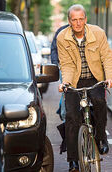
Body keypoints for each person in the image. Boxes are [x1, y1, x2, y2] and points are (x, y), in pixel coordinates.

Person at [57, 4, 112, 172]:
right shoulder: (62, 37)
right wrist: (65, 83)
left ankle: (101, 138)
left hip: (94, 78)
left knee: (99, 102)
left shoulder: (98, 33)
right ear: (69, 21)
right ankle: (73, 160)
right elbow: (66, 64)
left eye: (80, 19)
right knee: (71, 117)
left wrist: (110, 77)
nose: (77, 23)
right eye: (74, 20)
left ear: (85, 19)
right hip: (74, 81)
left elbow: (107, 57)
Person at [51, 24, 69, 154]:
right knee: (67, 92)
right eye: (74, 19)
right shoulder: (61, 32)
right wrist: (55, 65)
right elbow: (54, 49)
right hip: (65, 67)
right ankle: (64, 117)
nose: (77, 23)